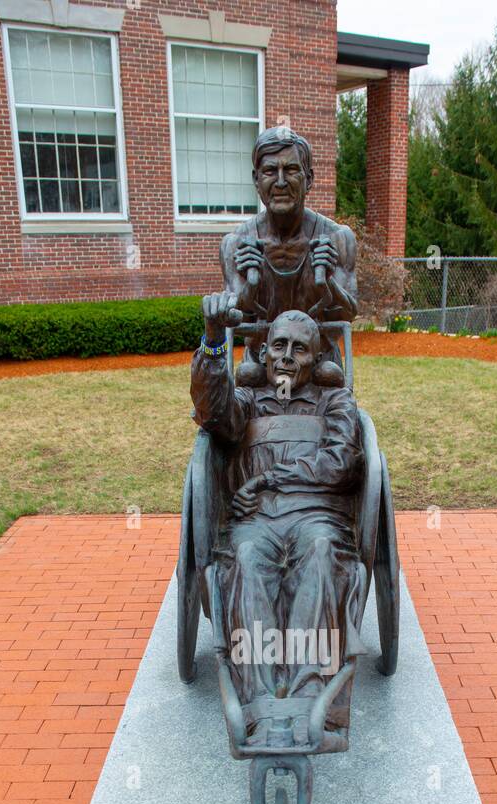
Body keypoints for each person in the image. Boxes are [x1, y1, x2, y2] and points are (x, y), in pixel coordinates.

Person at [191, 291, 368, 748]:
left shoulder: (336, 402)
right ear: (263, 352)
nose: (286, 357)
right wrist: (213, 343)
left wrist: (269, 479)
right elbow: (212, 414)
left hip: (318, 519)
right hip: (256, 523)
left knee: (322, 555)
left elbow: (344, 463)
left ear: (318, 358)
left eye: (300, 348)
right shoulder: (247, 401)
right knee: (245, 560)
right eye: (277, 345)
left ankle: (313, 696)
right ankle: (260, 703)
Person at [220, 126, 356, 367]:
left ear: (309, 179)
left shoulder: (337, 239)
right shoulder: (236, 244)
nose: (280, 182)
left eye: (291, 170)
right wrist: (249, 287)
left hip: (319, 368)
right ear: (256, 180)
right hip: (261, 368)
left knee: (347, 403)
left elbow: (346, 317)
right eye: (270, 171)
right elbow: (237, 324)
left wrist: (327, 283)